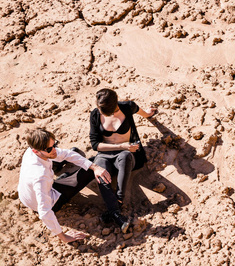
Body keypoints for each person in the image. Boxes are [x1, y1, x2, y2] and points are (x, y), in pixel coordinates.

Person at [17, 128, 112, 243]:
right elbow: (44, 211)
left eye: (54, 144)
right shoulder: (41, 176)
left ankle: (61, 170)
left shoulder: (32, 150)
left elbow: (66, 154)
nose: (54, 150)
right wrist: (64, 237)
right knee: (87, 170)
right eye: (49, 149)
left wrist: (95, 167)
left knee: (75, 154)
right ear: (36, 151)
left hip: (28, 196)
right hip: (49, 201)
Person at [89, 88, 157, 225]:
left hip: (126, 155)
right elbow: (95, 145)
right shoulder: (95, 115)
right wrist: (121, 146)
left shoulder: (127, 107)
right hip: (105, 154)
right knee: (100, 170)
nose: (101, 112)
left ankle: (119, 200)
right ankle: (115, 211)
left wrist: (149, 114)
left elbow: (141, 112)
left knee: (125, 156)